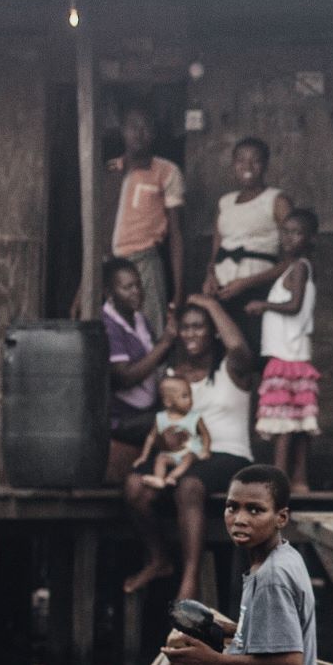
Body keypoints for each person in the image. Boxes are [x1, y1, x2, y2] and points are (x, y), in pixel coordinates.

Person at [113, 465, 318, 665]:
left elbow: (290, 661)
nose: (240, 519)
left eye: (255, 510)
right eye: (232, 508)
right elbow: (279, 631)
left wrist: (212, 662)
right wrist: (228, 631)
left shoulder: (272, 577)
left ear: (281, 517)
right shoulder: (284, 557)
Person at [123, 293, 257, 601]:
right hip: (186, 456)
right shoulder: (174, 375)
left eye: (199, 327)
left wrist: (210, 304)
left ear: (213, 331)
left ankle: (191, 579)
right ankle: (159, 559)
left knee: (189, 486)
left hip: (229, 454)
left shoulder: (232, 368)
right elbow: (165, 425)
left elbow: (239, 347)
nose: (191, 334)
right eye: (185, 327)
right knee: (134, 487)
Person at [246, 208, 321, 494]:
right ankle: (299, 479)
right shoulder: (293, 268)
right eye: (286, 231)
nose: (289, 238)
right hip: (294, 353)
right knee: (298, 421)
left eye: (297, 232)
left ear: (310, 238)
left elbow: (295, 306)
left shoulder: (300, 267)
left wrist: (262, 305)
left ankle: (278, 481)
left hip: (288, 355)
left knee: (283, 422)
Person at [202, 137, 292, 338]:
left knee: (250, 349)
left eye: (255, 160)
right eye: (241, 160)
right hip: (222, 290)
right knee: (221, 348)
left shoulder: (277, 200)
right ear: (233, 164)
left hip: (257, 290)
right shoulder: (225, 203)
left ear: (266, 164)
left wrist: (247, 283)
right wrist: (210, 276)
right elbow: (216, 251)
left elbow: (292, 260)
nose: (247, 166)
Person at [109, 105, 185, 335]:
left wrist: (179, 291)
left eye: (145, 127)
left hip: (145, 263)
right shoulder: (111, 169)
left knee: (152, 334)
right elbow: (100, 228)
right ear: (122, 130)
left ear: (154, 133)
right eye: (132, 126)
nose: (138, 133)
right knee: (112, 336)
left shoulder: (167, 171)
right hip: (111, 265)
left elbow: (176, 234)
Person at [101, 256, 178, 483]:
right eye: (127, 287)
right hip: (120, 418)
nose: (136, 291)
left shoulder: (140, 319)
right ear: (109, 293)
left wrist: (172, 338)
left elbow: (157, 361)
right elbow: (124, 377)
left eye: (138, 285)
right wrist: (164, 343)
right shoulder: (108, 324)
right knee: (173, 428)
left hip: (143, 413)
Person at [133, 374, 211, 490]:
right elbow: (151, 437)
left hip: (191, 451)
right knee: (160, 458)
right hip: (171, 454)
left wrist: (205, 450)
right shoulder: (161, 418)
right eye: (184, 396)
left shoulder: (195, 417)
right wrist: (143, 457)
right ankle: (159, 479)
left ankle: (172, 477)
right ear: (168, 402)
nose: (190, 400)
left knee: (188, 458)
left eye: (190, 395)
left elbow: (205, 435)